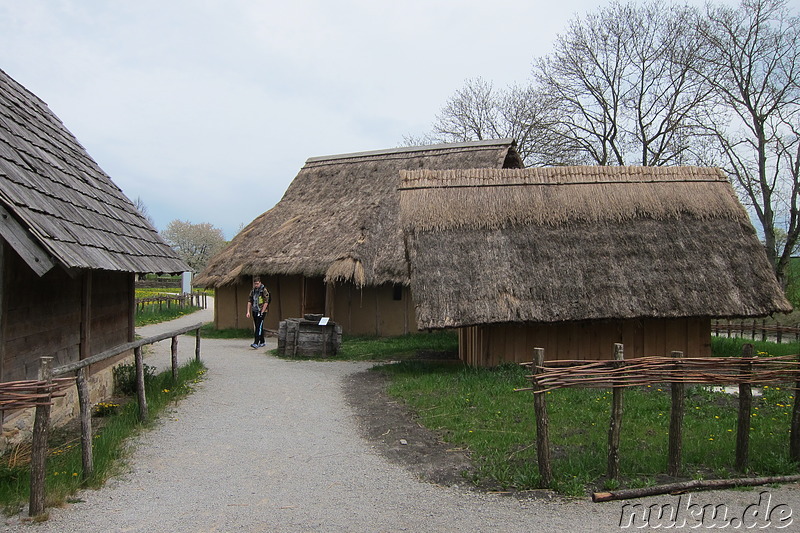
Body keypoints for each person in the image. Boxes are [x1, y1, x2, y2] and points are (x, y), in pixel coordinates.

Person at [246, 276, 270, 348]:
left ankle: (256, 342)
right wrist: (248, 311)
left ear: (260, 283)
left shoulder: (264, 290)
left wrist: (262, 312)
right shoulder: (253, 291)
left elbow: (266, 302)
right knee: (258, 326)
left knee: (258, 326)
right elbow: (249, 301)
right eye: (255, 284)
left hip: (261, 311)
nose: (256, 285)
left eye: (257, 284)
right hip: (254, 310)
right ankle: (262, 341)